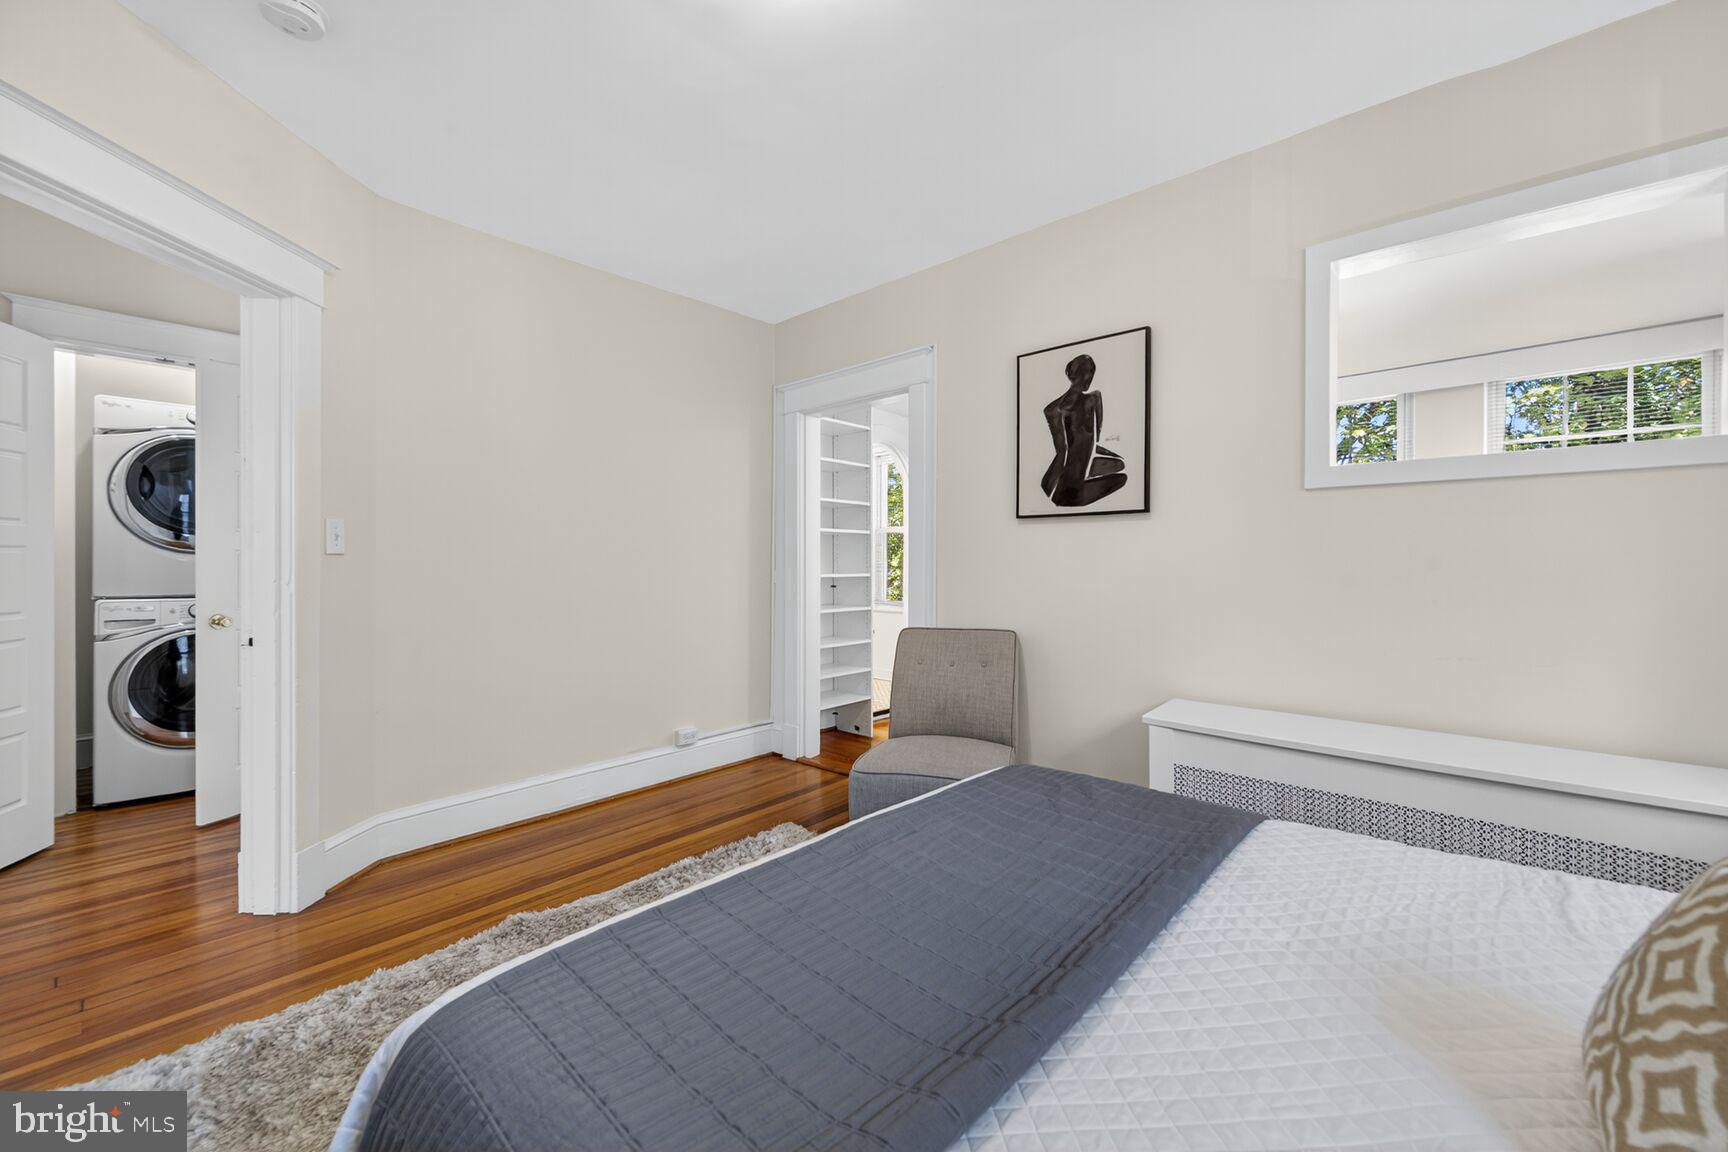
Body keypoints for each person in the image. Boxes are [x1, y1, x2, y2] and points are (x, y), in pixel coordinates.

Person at [1040, 353, 1126, 507]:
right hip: (1071, 489)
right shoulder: (1058, 409)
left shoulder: (1091, 399)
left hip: (1077, 470)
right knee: (1122, 477)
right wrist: (1050, 494)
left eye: (1091, 374)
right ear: (1077, 375)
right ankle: (1059, 493)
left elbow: (1090, 443)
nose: (1089, 379)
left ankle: (1058, 491)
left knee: (1119, 464)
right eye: (1087, 374)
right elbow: (1063, 452)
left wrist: (1111, 453)